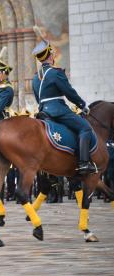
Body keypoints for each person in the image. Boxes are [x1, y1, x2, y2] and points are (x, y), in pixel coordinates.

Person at [31, 26, 96, 175]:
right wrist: (82, 105)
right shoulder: (55, 73)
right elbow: (69, 93)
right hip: (58, 110)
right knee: (85, 128)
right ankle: (84, 163)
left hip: (43, 111)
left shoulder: (35, 78)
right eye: (52, 53)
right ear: (49, 56)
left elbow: (37, 97)